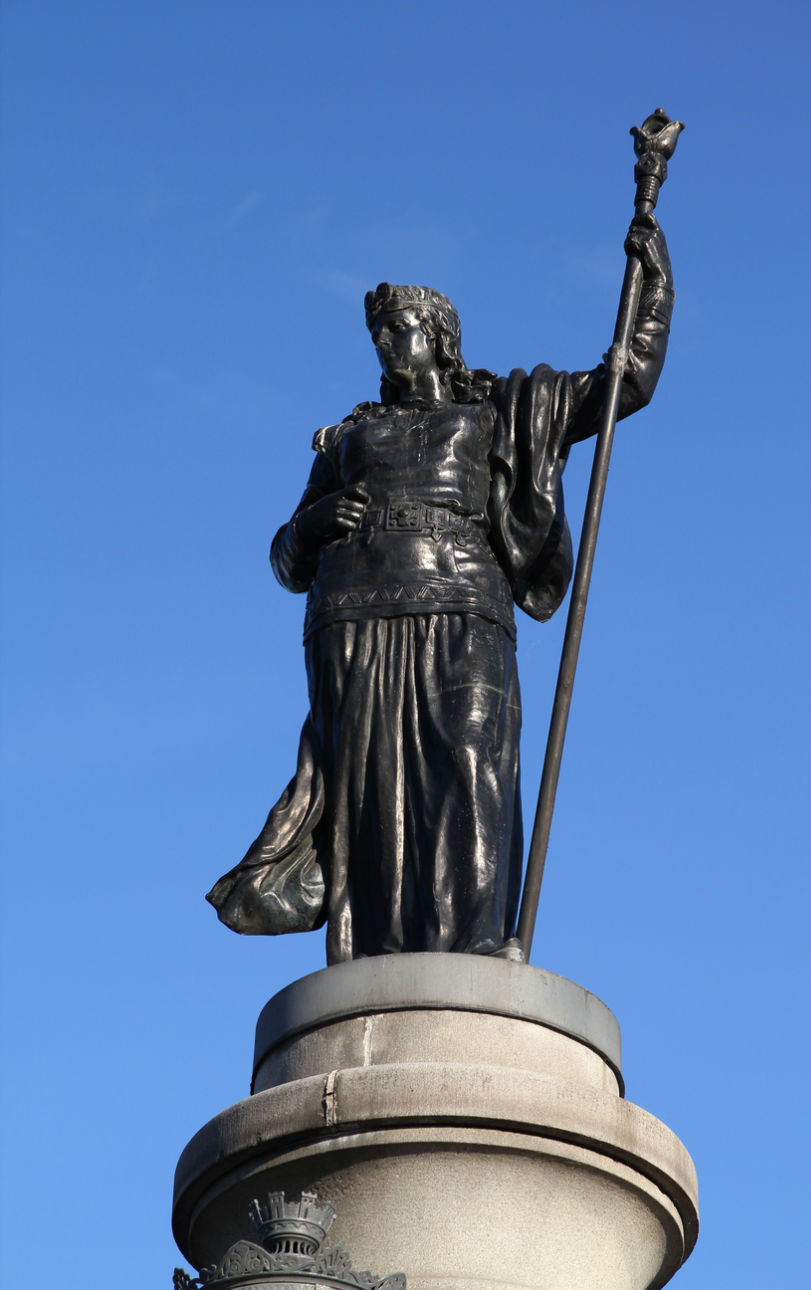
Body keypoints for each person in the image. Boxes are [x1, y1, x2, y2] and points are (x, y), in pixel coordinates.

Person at [207, 214, 674, 964]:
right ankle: (378, 958)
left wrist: (653, 278)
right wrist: (319, 518)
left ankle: (476, 946)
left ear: (438, 333)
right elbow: (286, 559)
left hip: (464, 605)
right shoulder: (349, 437)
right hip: (357, 616)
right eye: (379, 334)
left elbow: (625, 383)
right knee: (374, 792)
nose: (386, 343)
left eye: (399, 328)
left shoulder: (496, 412)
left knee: (470, 762)